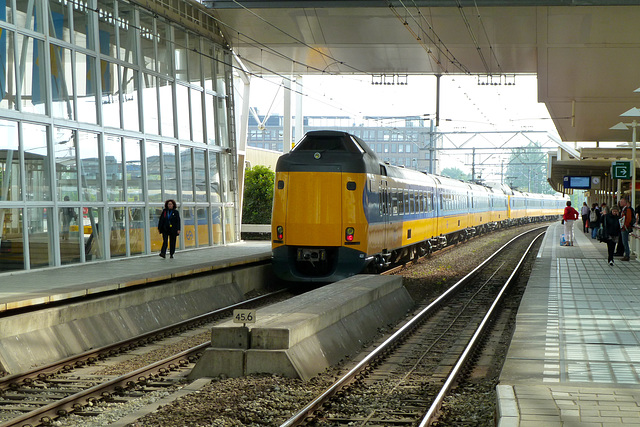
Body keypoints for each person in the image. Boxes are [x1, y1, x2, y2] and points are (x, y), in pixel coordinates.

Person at [619, 197, 634, 261]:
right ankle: (626, 254)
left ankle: (627, 255)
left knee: (625, 242)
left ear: (625, 203)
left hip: (625, 228)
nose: (620, 203)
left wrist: (625, 226)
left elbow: (628, 218)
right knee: (624, 241)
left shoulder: (627, 210)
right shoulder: (623, 210)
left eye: (622, 202)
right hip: (623, 227)